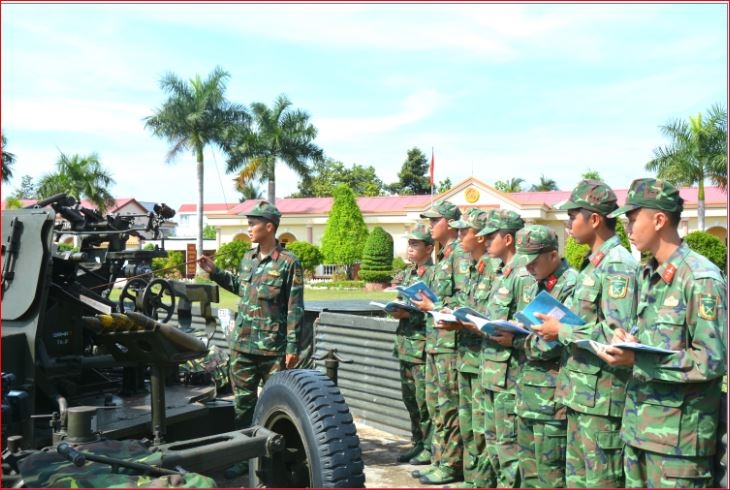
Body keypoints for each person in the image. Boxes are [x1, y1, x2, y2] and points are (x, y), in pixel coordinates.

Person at [594, 178, 727, 488]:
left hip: (679, 446)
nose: (627, 227)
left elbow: (712, 360)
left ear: (658, 219)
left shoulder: (700, 278)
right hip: (640, 430)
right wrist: (628, 342)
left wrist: (637, 360)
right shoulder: (647, 273)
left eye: (632, 218)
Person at [531, 179, 638, 488]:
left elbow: (617, 333)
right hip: (581, 395)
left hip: (603, 401)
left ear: (594, 219)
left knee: (601, 481)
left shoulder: (618, 264)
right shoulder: (593, 264)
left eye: (572, 217)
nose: (567, 224)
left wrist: (560, 329)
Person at [198, 201, 304, 478]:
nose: (249, 227)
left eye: (253, 223)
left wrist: (293, 347)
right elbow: (240, 289)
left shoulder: (289, 263)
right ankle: (240, 457)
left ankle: (275, 457)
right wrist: (214, 272)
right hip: (243, 345)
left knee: (275, 406)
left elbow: (295, 307)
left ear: (269, 226)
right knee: (242, 405)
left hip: (272, 349)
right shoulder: (248, 258)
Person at [510, 225, 578, 488]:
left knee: (551, 475)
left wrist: (516, 340)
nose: (528, 268)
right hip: (527, 393)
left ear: (552, 255)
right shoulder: (536, 283)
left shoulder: (571, 284)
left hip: (551, 399)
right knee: (529, 473)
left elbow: (557, 342)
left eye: (533, 261)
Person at [438, 207, 499, 488]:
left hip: (482, 358)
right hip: (466, 355)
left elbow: (489, 316)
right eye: (459, 230)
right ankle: (474, 477)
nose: (460, 235)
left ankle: (483, 480)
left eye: (466, 230)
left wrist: (462, 321)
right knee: (468, 424)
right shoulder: (475, 269)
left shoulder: (494, 270)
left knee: (483, 426)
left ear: (481, 236)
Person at [410, 200, 469, 485]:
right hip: (434, 342)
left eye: (434, 221)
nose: (430, 226)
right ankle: (438, 458)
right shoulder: (443, 257)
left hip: (449, 344)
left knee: (447, 407)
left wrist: (435, 304)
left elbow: (464, 300)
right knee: (435, 407)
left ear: (448, 222)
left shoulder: (459, 255)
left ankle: (450, 465)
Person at [476, 209, 535, 488]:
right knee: (494, 441)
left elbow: (529, 327)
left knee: (509, 447)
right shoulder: (502, 271)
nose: (485, 241)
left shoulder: (523, 275)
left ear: (508, 238)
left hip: (510, 376)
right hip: (492, 372)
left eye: (491, 236)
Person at [389, 224, 434, 465]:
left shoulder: (434, 275)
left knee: (423, 402)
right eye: (409, 244)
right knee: (410, 401)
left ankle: (429, 446)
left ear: (429, 248)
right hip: (405, 345)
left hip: (423, 348)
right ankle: (417, 443)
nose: (410, 249)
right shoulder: (408, 274)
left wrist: (411, 315)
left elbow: (437, 311)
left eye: (415, 244)